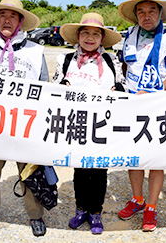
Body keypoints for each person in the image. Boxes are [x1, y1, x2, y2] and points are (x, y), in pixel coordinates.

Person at [0, 0, 49, 237]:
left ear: (21, 21)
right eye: (2, 15)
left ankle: (35, 215)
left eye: (13, 16)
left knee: (27, 171)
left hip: (24, 124)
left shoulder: (35, 51)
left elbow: (45, 86)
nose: (7, 20)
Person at [52, 13, 126, 235]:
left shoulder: (112, 61)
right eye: (85, 33)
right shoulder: (65, 60)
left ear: (102, 37)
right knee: (80, 170)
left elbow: (123, 88)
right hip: (76, 125)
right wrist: (61, 85)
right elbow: (53, 88)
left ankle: (96, 212)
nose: (90, 37)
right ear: (77, 36)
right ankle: (81, 209)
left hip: (103, 126)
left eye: (96, 33)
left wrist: (117, 91)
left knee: (99, 171)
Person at [116, 0, 166, 232]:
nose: (146, 16)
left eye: (151, 11)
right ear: (135, 15)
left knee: (155, 159)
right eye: (141, 11)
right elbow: (125, 67)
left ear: (160, 13)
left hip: (158, 105)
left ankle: (152, 207)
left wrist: (150, 93)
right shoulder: (129, 37)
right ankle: (137, 199)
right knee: (133, 156)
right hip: (133, 104)